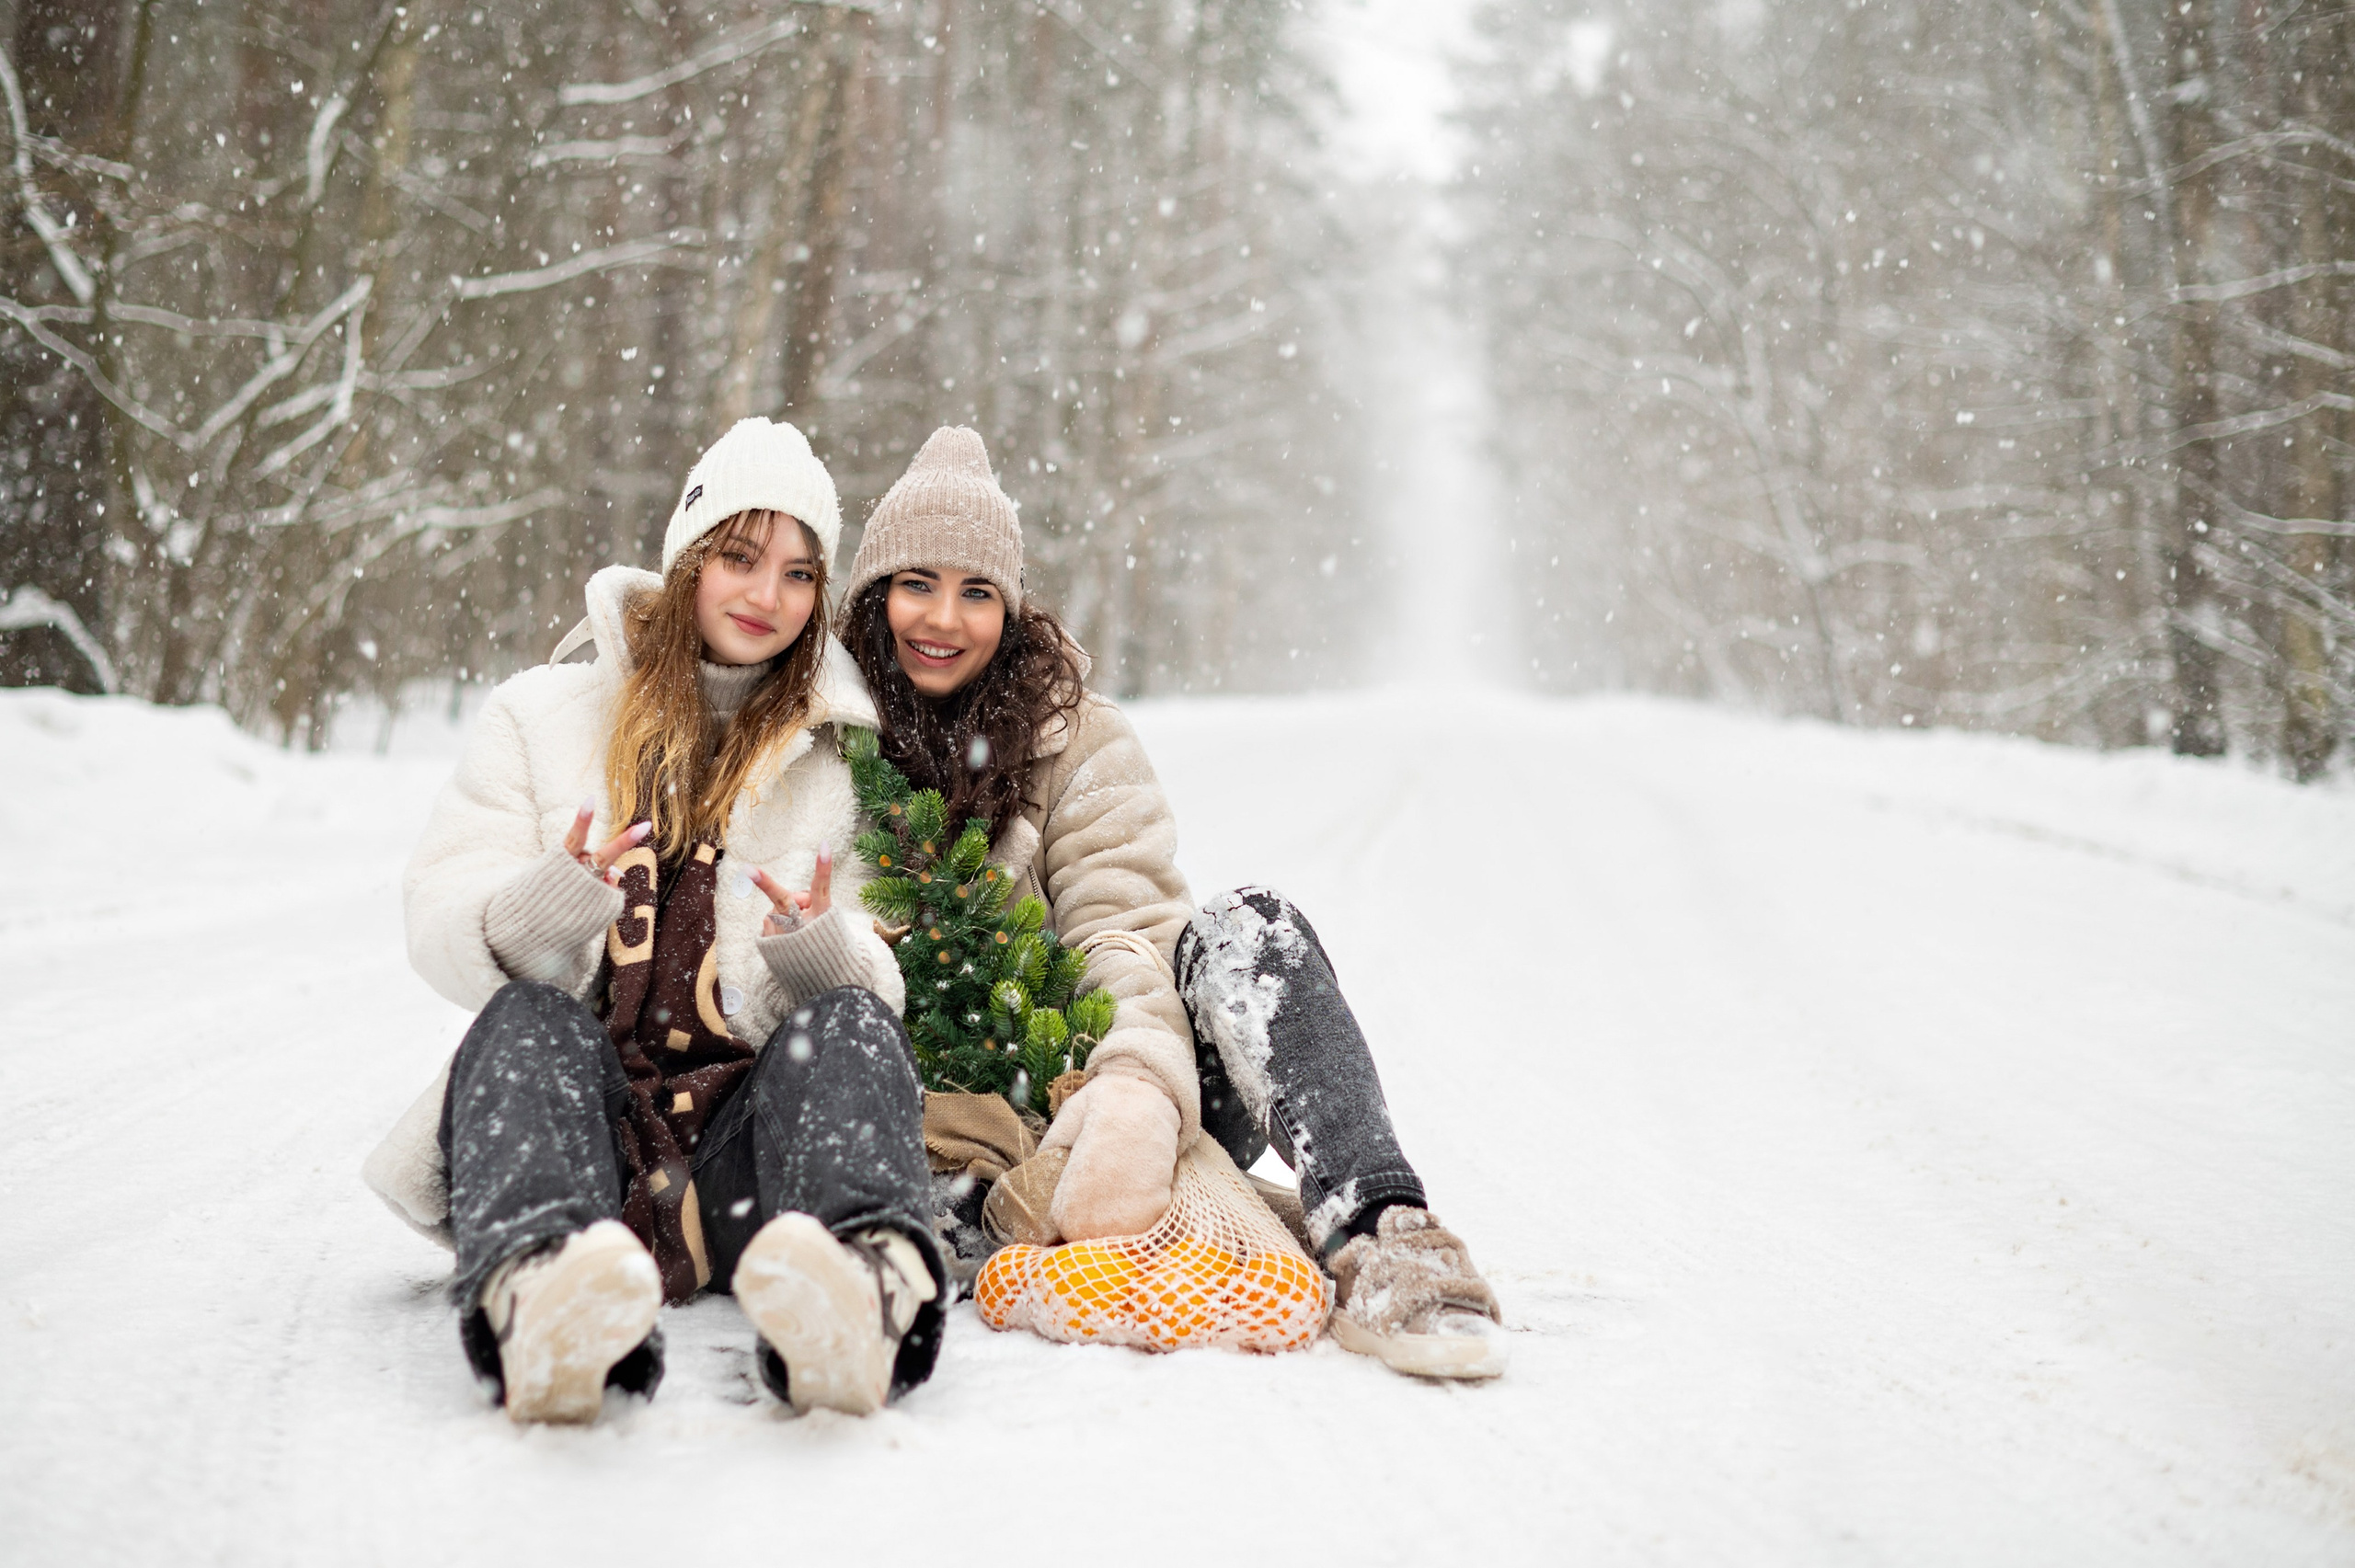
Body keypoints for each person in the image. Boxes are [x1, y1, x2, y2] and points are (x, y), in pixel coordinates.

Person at [839, 426, 1508, 1380]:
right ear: (873, 597)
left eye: (977, 590)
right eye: (917, 583)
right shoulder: (822, 741)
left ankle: (1380, 1229)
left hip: (1111, 1074)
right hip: (942, 1113)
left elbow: (1125, 929)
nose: (944, 617)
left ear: (1011, 607)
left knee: (1247, 927)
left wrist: (1136, 1090)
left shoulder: (1078, 739)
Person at [362, 418, 947, 1424]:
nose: (767, 596)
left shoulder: (843, 760)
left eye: (800, 573)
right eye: (739, 556)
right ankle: (541, 1293)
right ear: (687, 557)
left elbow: (878, 995)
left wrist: (814, 949)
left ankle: (863, 1295)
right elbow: (440, 917)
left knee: (850, 1025)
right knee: (527, 1021)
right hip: (587, 1150)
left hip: (747, 1173)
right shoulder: (539, 717)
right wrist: (547, 903)